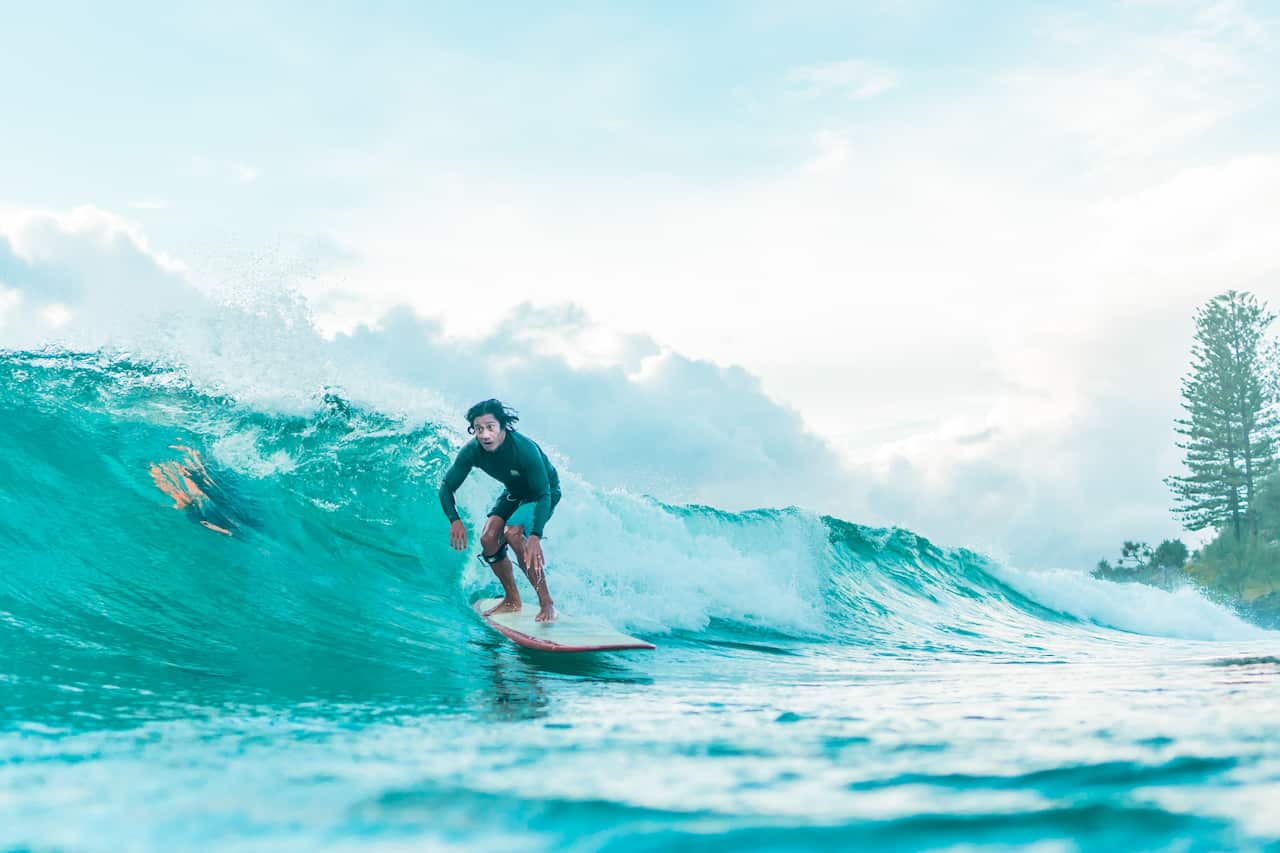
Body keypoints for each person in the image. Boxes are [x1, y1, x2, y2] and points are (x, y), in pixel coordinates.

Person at [438, 399, 562, 622]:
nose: (485, 435)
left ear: (502, 427)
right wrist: (454, 519)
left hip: (544, 493)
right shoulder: (473, 451)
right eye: (479, 429)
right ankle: (513, 600)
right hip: (514, 492)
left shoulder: (524, 450)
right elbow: (446, 487)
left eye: (490, 427)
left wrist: (535, 535)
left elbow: (545, 494)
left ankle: (547, 603)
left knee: (513, 533)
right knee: (488, 539)